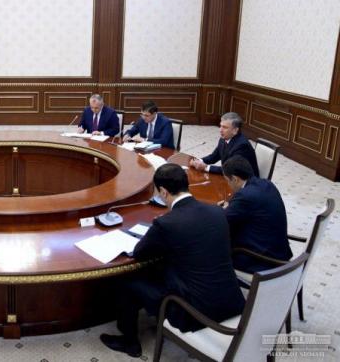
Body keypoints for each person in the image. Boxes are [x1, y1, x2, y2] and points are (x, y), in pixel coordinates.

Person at [100, 164, 245, 357]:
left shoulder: (166, 223)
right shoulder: (216, 211)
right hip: (231, 300)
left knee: (127, 279)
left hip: (195, 312)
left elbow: (140, 253)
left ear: (163, 192)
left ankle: (130, 343)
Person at [221, 156, 293, 273]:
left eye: (227, 181)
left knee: (216, 247)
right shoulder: (267, 184)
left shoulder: (245, 196)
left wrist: (224, 209)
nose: (228, 185)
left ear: (235, 179)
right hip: (279, 252)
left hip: (263, 261)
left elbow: (222, 220)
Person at [189, 112, 259, 176]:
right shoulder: (224, 138)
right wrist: (198, 161)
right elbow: (214, 157)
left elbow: (231, 169)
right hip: (231, 177)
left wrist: (206, 167)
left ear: (235, 130)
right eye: (220, 126)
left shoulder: (242, 146)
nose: (220, 130)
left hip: (245, 182)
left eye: (225, 127)